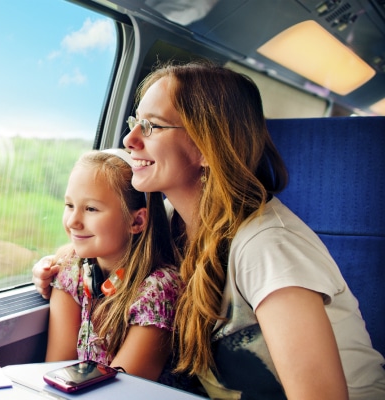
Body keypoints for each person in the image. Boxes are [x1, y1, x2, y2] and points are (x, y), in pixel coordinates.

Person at [34, 61, 385, 399]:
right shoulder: (173, 219)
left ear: (205, 146)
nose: (130, 139)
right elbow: (109, 246)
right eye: (134, 122)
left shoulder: (267, 248)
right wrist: (55, 263)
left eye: (152, 126)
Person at [41, 148, 183, 383]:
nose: (73, 221)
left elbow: (122, 390)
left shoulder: (159, 290)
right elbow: (56, 371)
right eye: (69, 205)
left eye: (91, 209)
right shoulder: (72, 273)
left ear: (136, 221)